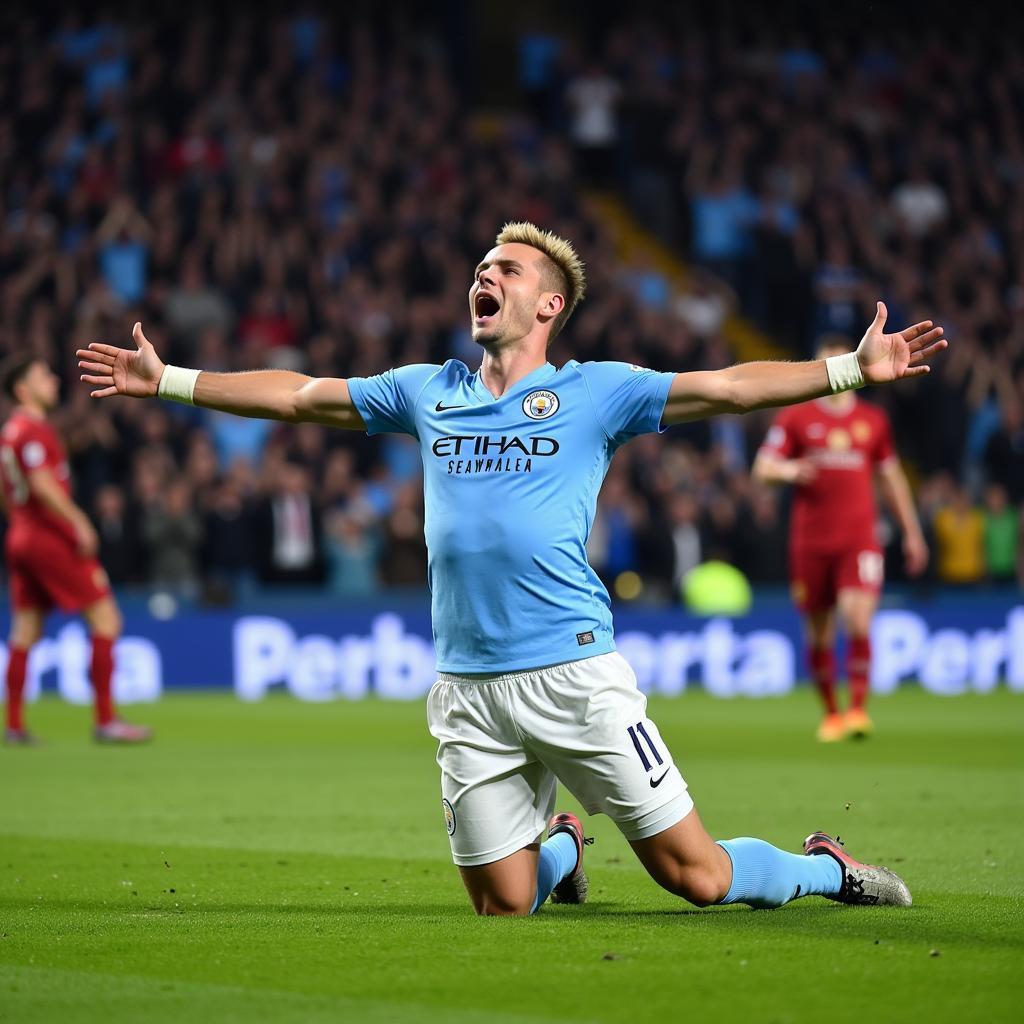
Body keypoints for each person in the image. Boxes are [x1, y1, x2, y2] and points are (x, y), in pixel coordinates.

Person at [78, 222, 946, 916]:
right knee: (506, 904)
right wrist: (175, 382)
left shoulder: (597, 390)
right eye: (481, 264)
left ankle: (822, 872)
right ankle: (561, 843)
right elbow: (303, 395)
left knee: (700, 879)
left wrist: (846, 371)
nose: (484, 275)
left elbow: (724, 388)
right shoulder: (427, 390)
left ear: (548, 304)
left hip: (574, 672)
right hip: (468, 687)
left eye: (507, 268)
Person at [753, 336, 930, 742]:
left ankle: (858, 710)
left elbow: (892, 480)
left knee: (857, 618)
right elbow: (763, 468)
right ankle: (831, 713)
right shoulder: (797, 419)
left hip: (859, 540)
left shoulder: (873, 421)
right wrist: (790, 471)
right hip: (810, 544)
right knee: (818, 631)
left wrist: (913, 532)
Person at [0, 355, 151, 745]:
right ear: (22, 390)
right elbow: (41, 483)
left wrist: (21, 521)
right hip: (49, 537)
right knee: (106, 620)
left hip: (21, 535)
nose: (52, 380)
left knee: (25, 630)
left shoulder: (9, 433)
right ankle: (106, 721)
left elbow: (9, 492)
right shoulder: (31, 429)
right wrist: (77, 521)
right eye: (42, 376)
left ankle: (14, 726)